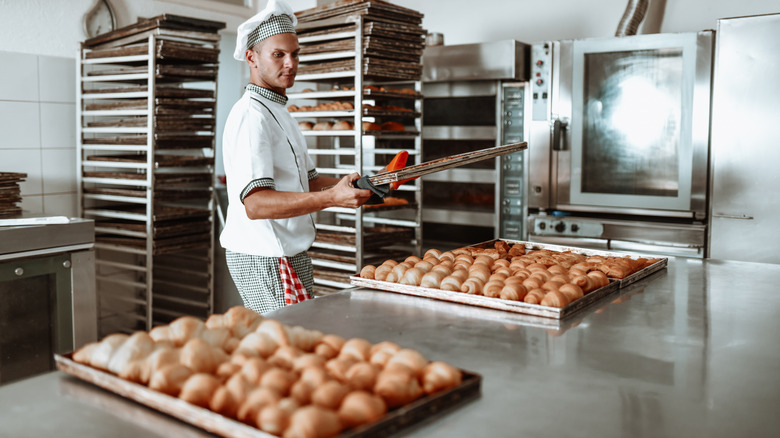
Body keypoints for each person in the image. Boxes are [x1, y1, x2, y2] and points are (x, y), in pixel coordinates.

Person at [221, 0, 372, 314]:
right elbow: (256, 203)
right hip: (265, 254)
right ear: (251, 57)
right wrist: (333, 198)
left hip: (287, 252)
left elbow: (309, 181)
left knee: (296, 341)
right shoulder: (252, 116)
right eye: (278, 54)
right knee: (286, 346)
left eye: (294, 53)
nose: (290, 63)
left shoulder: (277, 109)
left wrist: (368, 183)